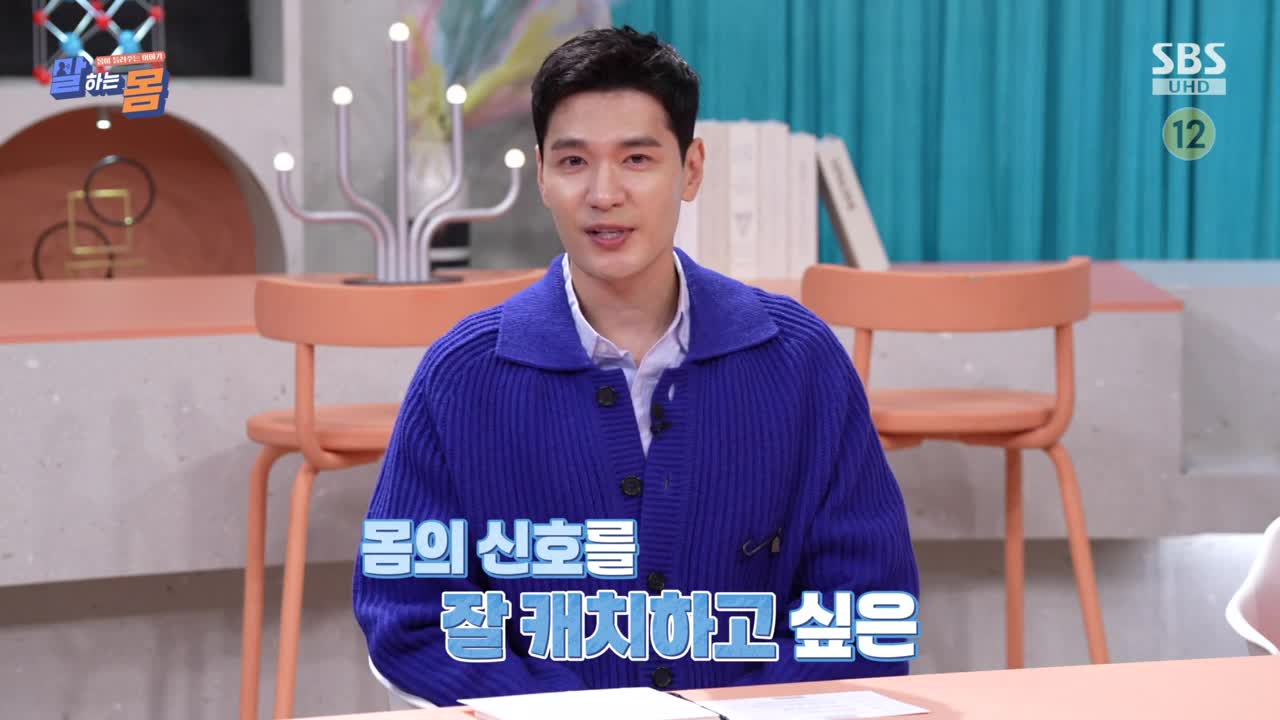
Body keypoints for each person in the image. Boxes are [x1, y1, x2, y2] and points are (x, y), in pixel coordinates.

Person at [354, 25, 918, 706]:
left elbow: (867, 608)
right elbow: (411, 619)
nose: (604, 193)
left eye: (637, 159)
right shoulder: (462, 374)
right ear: (541, 174)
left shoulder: (800, 359)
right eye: (573, 162)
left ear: (692, 169)